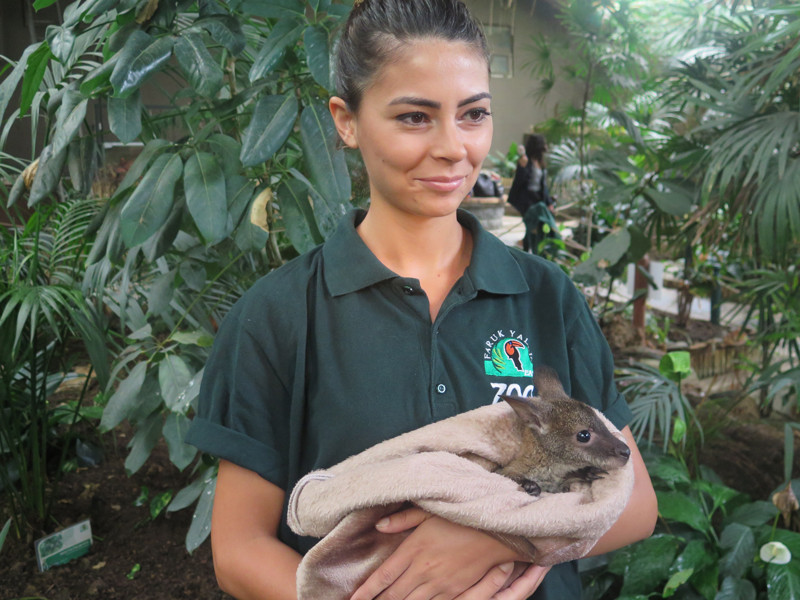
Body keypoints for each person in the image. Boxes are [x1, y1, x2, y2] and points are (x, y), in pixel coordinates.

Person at [184, 0, 658, 599]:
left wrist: (500, 536)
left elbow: (636, 503)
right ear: (346, 121)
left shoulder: (544, 295)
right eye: (414, 117)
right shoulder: (279, 315)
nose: (453, 148)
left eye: (474, 114)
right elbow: (238, 550)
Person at [507, 135, 557, 253]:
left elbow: (543, 185)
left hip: (538, 198)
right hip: (526, 198)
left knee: (535, 226)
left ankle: (530, 249)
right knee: (531, 225)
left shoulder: (540, 162)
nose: (545, 147)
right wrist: (522, 167)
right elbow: (519, 181)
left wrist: (549, 202)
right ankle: (528, 250)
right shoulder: (525, 160)